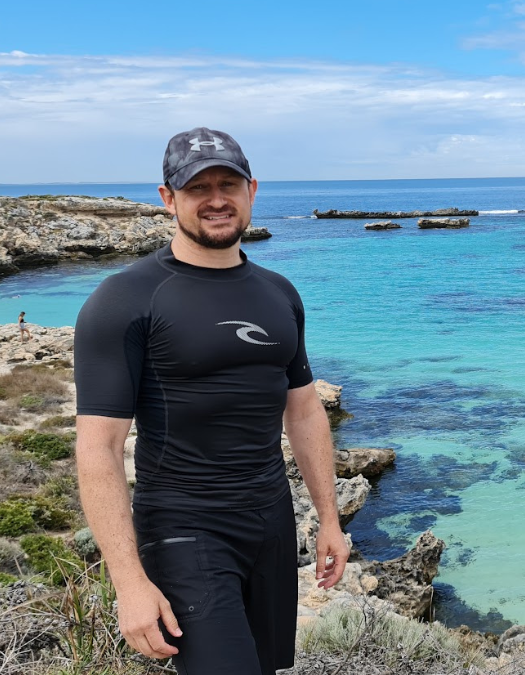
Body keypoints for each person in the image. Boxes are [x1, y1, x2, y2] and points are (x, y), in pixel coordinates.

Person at [74, 127, 349, 675]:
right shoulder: (125, 299)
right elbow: (98, 447)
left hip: (271, 521)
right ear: (168, 198)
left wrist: (329, 518)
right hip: (184, 527)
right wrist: (129, 583)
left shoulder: (279, 293)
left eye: (228, 184)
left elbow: (303, 409)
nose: (217, 199)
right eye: (198, 188)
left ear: (252, 190)